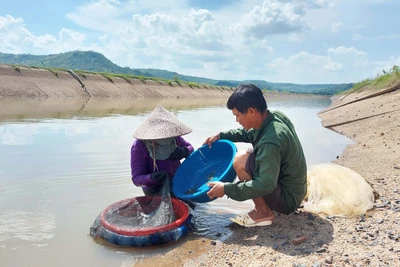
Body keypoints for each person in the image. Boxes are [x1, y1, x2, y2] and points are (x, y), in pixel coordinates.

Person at [203, 84, 307, 227]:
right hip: (296, 190)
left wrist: (226, 189)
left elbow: (265, 185)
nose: (237, 121)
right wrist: (221, 135)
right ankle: (265, 207)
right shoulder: (275, 117)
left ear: (251, 111)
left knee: (240, 160)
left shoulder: (271, 140)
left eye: (238, 115)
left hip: (288, 199)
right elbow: (249, 133)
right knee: (249, 154)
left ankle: (263, 212)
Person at [130, 105, 194, 196]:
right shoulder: (139, 146)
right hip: (154, 189)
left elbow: (190, 147)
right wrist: (151, 178)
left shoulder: (174, 138)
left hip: (177, 182)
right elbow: (136, 179)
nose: (166, 137)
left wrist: (185, 151)